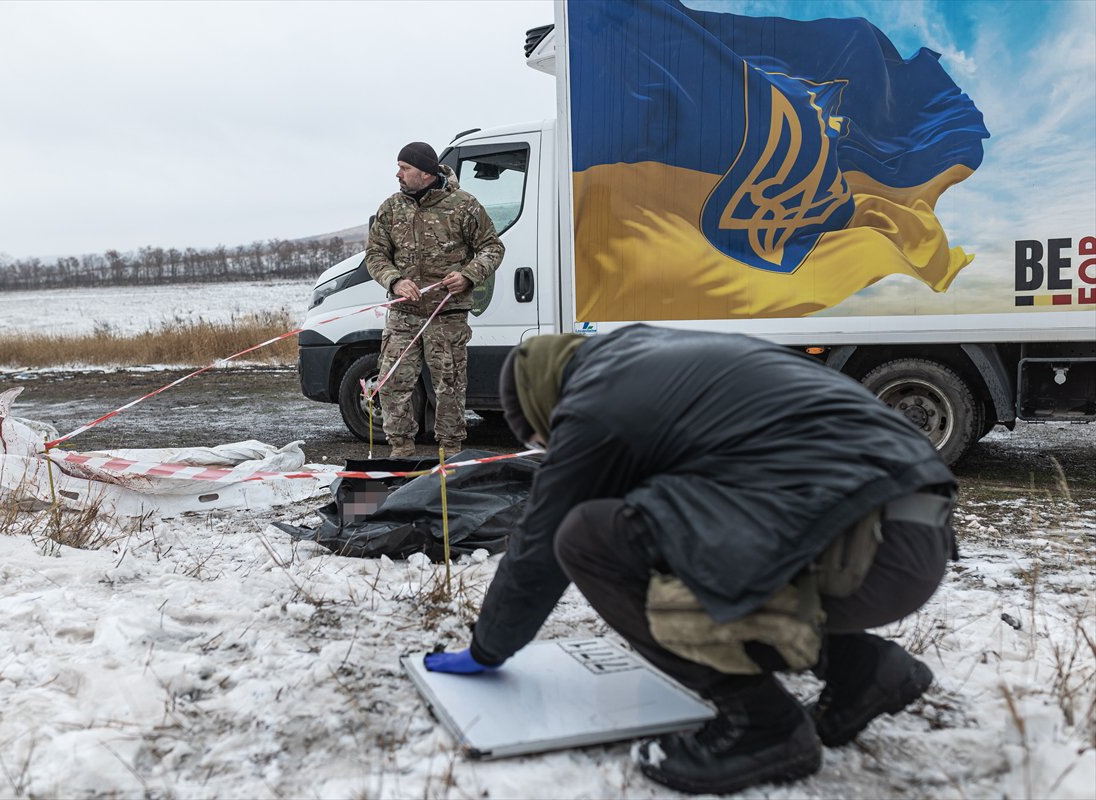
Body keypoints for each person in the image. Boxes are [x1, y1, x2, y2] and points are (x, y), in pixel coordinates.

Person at [423, 325, 958, 795]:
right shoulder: (648, 356)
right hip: (912, 530)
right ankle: (863, 669)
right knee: (665, 527)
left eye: (543, 436)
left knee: (586, 537)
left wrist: (490, 646)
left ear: (544, 401)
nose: (550, 445)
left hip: (866, 550)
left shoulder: (595, 403)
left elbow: (540, 542)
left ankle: (760, 726)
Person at [365, 141, 505, 459]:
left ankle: (451, 452)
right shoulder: (390, 208)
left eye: (405, 168)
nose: (397, 174)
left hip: (447, 314)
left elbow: (492, 247)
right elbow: (375, 254)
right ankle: (401, 452)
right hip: (404, 314)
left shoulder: (464, 205)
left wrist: (468, 275)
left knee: (450, 384)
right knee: (392, 381)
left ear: (426, 173)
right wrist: (395, 280)